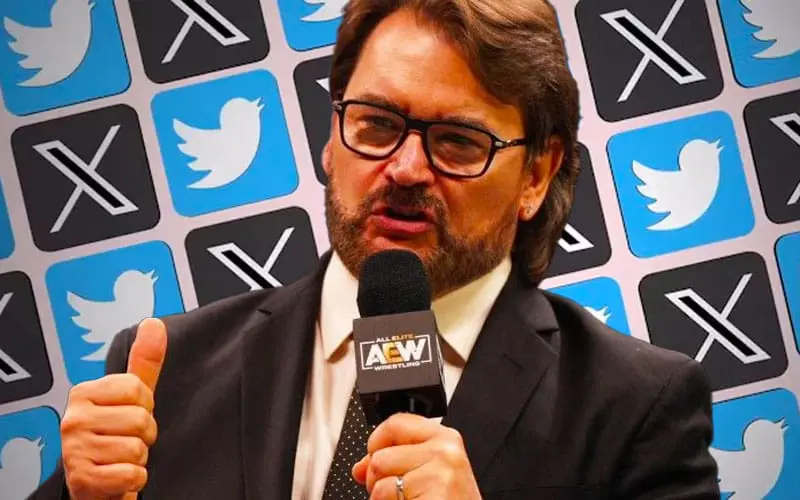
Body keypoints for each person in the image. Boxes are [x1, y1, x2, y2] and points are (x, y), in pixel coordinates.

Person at [31, 0, 720, 498]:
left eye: (459, 141)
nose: (406, 169)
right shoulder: (163, 374)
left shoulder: (637, 409)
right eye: (376, 123)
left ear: (537, 174)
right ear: (332, 138)